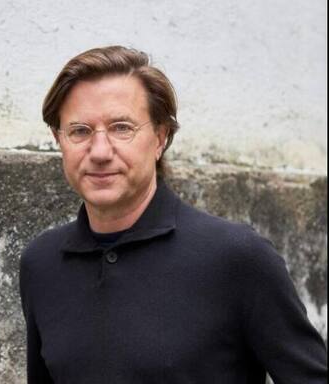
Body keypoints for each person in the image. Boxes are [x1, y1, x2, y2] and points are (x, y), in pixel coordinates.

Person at [19, 46, 328, 383]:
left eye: (121, 127)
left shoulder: (238, 258)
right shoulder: (41, 264)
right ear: (58, 139)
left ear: (160, 137)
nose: (100, 152)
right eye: (80, 131)